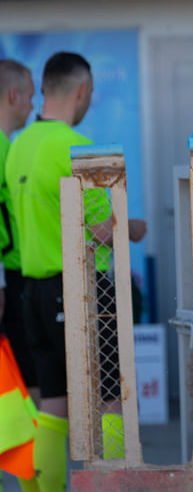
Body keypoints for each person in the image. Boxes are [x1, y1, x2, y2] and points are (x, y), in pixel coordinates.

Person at [6, 52, 147, 492]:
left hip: (32, 289)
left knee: (52, 403)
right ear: (82, 90)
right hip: (83, 290)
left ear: (44, 90)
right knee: (110, 397)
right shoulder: (76, 147)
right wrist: (134, 227)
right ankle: (112, 484)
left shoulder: (17, 147)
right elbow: (105, 230)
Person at [0, 59, 37, 488]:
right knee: (29, 392)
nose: (33, 105)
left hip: (14, 283)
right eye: (29, 95)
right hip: (10, 284)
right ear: (14, 96)